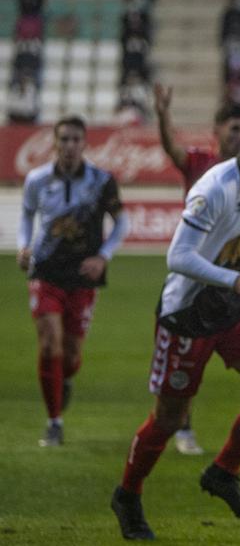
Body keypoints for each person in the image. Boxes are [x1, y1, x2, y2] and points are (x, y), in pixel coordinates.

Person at [110, 94, 240, 541]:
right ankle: (128, 494)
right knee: (170, 418)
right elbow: (178, 257)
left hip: (231, 309)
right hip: (187, 314)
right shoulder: (214, 187)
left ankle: (223, 472)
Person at [155, 83, 240, 455]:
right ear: (221, 132)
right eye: (232, 128)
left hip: (234, 287)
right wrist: (163, 114)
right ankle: (181, 432)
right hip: (196, 284)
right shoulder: (205, 170)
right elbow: (172, 149)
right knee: (179, 391)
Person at [18, 116, 130, 447]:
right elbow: (27, 214)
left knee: (70, 354)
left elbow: (122, 223)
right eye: (63, 139)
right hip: (46, 271)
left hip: (82, 275)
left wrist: (103, 256)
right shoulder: (37, 179)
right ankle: (54, 422)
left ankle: (62, 381)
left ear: (84, 144)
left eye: (75, 140)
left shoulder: (101, 180)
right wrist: (25, 245)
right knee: (49, 342)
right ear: (54, 143)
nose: (69, 146)